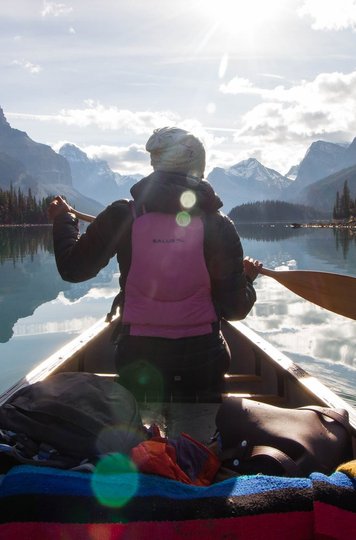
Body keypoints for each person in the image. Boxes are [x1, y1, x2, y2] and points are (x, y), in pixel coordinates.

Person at [48, 127, 261, 401]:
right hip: (203, 363)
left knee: (141, 436)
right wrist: (248, 280)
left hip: (137, 359)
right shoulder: (219, 226)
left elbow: (73, 270)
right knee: (198, 433)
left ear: (155, 164)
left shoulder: (123, 214)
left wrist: (64, 220)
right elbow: (235, 310)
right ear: (199, 166)